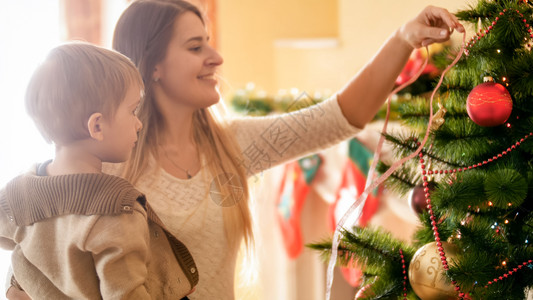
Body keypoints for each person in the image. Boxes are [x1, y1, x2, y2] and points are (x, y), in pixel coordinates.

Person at [7, 1, 465, 299]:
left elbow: (341, 116)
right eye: (195, 46)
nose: (216, 57)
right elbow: (34, 259)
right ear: (155, 67)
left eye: (208, 40)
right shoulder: (105, 167)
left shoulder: (232, 146)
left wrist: (404, 38)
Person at [0, 42, 198, 299]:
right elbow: (125, 294)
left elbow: (8, 241)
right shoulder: (116, 210)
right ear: (97, 127)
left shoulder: (18, 193)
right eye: (133, 111)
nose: (139, 124)